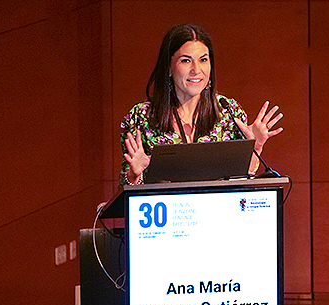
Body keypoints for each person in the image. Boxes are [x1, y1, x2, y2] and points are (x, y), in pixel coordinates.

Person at [120, 23, 283, 186]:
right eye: (186, 61)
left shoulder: (228, 112)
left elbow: (241, 179)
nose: (196, 70)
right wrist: (135, 175)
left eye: (203, 60)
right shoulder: (141, 117)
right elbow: (125, 191)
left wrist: (256, 146)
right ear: (169, 66)